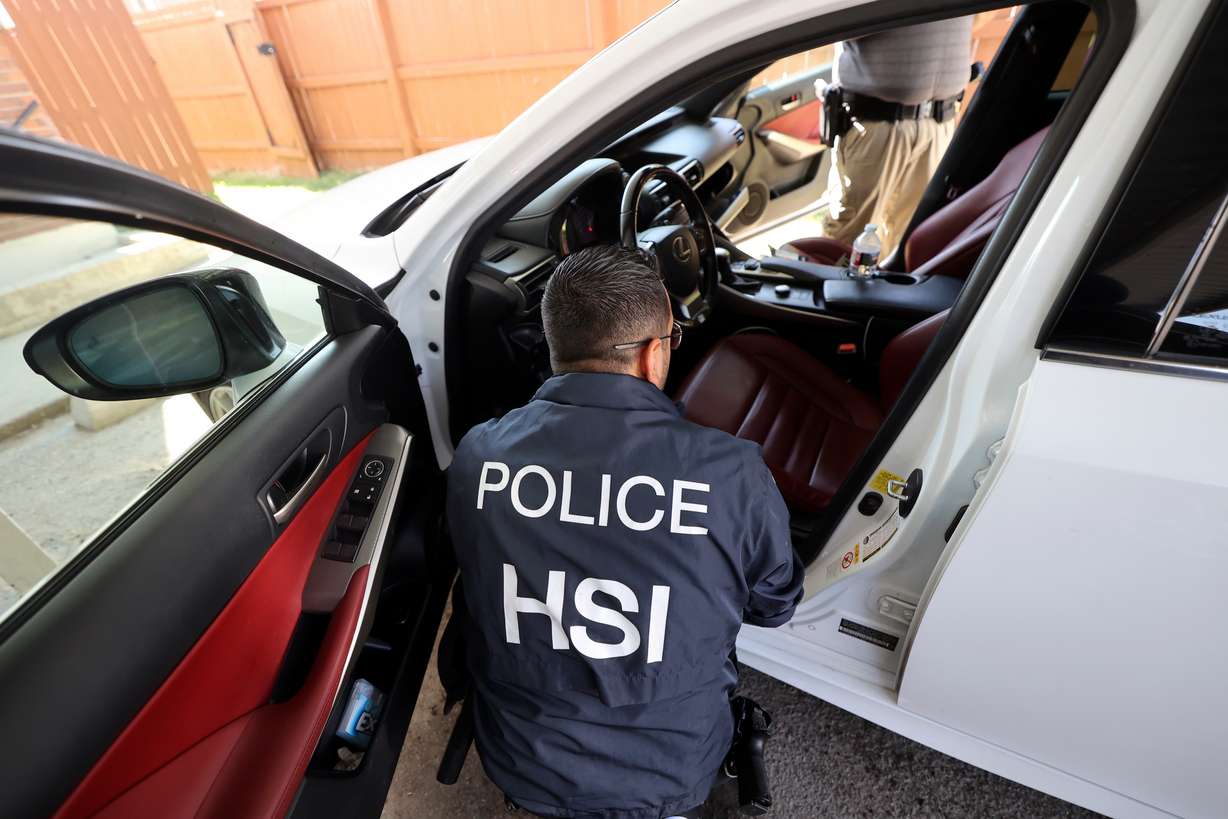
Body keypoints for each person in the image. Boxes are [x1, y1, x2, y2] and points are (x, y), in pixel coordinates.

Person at [445, 245, 804, 818]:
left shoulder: (479, 454)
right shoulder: (732, 473)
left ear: (556, 345)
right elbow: (773, 605)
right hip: (669, 777)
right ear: (651, 355)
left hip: (520, 760)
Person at [821, 17, 974, 257]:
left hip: (940, 121)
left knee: (916, 239)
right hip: (876, 124)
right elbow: (834, 19)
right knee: (851, 241)